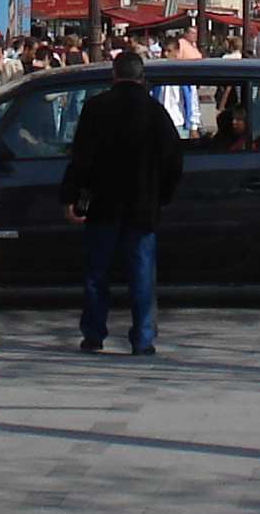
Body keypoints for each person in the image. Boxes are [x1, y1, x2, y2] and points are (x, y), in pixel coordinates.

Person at [62, 49, 185, 356]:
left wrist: (71, 196)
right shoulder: (155, 112)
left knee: (96, 273)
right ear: (142, 78)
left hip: (103, 203)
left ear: (113, 76)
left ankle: (94, 334)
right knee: (141, 275)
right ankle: (142, 338)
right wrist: (162, 195)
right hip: (142, 204)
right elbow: (174, 160)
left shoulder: (95, 108)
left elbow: (81, 158)